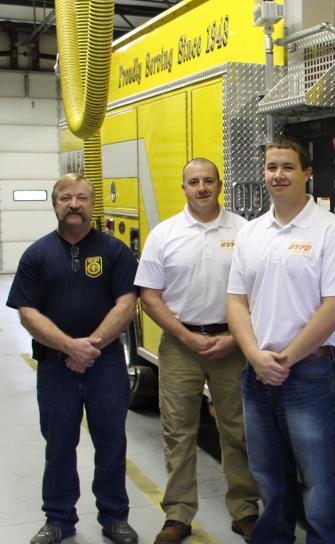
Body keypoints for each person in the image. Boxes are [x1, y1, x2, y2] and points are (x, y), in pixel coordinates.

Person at [227, 137, 335, 543]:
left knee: (317, 482)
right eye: (271, 167)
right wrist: (255, 356)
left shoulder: (331, 231)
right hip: (257, 374)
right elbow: (235, 302)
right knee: (268, 475)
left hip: (308, 375)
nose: (278, 175)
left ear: (307, 173)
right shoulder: (251, 233)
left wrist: (283, 360)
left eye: (287, 167)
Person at [6, 173, 139, 544]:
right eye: (66, 198)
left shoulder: (115, 252)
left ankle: (114, 517)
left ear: (92, 204)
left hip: (106, 365)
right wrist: (69, 346)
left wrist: (89, 347)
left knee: (111, 443)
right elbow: (27, 312)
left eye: (82, 197)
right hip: (55, 368)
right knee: (59, 444)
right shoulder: (36, 255)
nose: (74, 204)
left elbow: (126, 304)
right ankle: (58, 519)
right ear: (55, 204)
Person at [133, 158, 260, 543]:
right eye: (193, 182)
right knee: (178, 431)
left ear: (220, 185)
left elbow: (260, 292)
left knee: (238, 431)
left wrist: (236, 339)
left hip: (233, 344)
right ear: (183, 188)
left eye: (208, 180)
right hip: (180, 345)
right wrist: (187, 338)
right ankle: (178, 516)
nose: (201, 187)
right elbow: (149, 297)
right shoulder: (165, 234)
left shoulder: (245, 231)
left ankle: (245, 511)